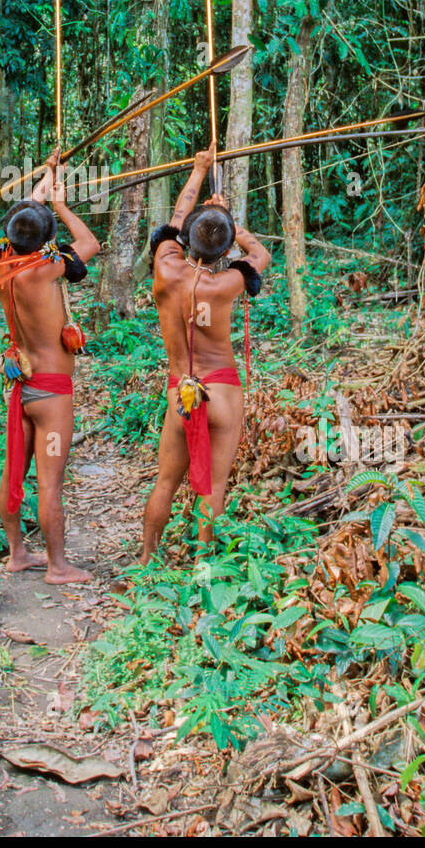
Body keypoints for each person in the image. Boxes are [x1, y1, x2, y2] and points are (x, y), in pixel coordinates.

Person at [0, 151, 101, 584]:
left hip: (19, 387)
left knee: (13, 470)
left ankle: (17, 553)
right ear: (44, 240)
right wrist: (62, 206)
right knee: (49, 482)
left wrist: (50, 173)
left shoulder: (4, 261)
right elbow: (89, 246)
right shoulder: (43, 268)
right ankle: (57, 567)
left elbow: (26, 216)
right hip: (52, 393)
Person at [142, 142, 270, 562]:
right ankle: (201, 569)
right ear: (225, 248)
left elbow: (176, 221)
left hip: (182, 389)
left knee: (165, 481)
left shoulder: (165, 265)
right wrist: (231, 222)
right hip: (221, 392)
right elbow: (259, 255)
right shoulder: (227, 283)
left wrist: (199, 171)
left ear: (187, 241)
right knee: (213, 486)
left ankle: (146, 558)